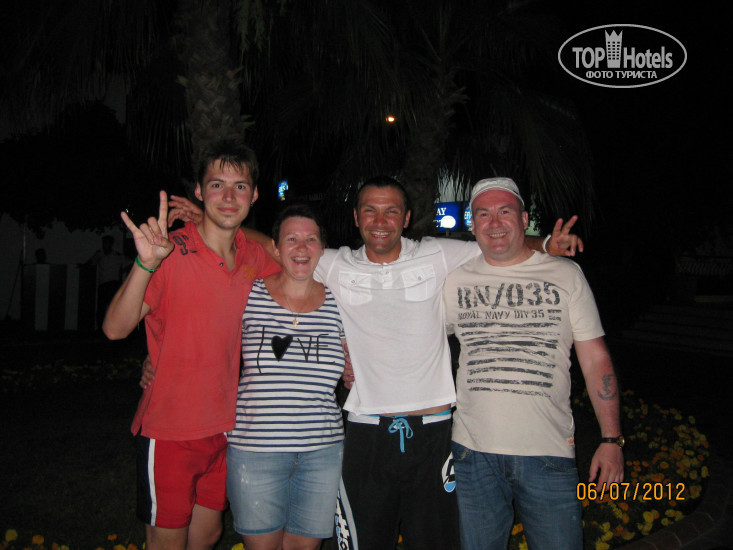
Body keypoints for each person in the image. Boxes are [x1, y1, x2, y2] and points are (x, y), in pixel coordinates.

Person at [166, 175, 582, 549]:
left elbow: (496, 241)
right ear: (356, 217)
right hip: (366, 432)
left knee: (436, 541)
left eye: (391, 211)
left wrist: (546, 244)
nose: (380, 221)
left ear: (407, 217)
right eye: (370, 210)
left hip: (433, 432)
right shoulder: (332, 262)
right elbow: (279, 243)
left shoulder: (438, 254)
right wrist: (217, 225)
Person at [103, 140, 280, 550]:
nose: (229, 196)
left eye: (240, 186)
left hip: (225, 426)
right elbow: (114, 328)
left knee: (208, 534)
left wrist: (208, 218)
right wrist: (146, 263)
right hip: (170, 429)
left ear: (254, 195)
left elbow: (281, 251)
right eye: (217, 185)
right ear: (199, 190)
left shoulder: (251, 256)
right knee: (167, 541)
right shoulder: (170, 251)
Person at [443, 177, 624, 550]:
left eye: (505, 211)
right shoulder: (453, 280)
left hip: (548, 453)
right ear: (472, 225)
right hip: (473, 454)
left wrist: (611, 439)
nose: (495, 222)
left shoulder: (565, 274)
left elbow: (595, 359)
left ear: (524, 219)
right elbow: (415, 338)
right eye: (483, 214)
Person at [226, 204, 346, 550]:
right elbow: (205, 332)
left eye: (311, 239)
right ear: (275, 248)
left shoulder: (340, 303)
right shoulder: (248, 293)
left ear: (323, 248)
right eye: (291, 239)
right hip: (255, 450)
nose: (302, 248)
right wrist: (155, 359)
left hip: (321, 452)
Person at [87, 235, 128, 329]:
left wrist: (122, 272)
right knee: (101, 308)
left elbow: (130, 263)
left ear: (111, 244)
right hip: (103, 284)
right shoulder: (100, 254)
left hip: (113, 283)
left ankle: (114, 328)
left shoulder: (117, 256)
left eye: (106, 243)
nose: (104, 245)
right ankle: (100, 328)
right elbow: (91, 262)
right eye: (104, 243)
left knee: (113, 307)